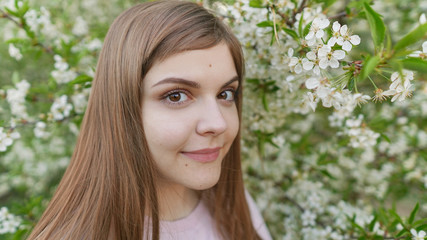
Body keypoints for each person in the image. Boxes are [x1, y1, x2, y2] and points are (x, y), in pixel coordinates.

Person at [28, 1, 272, 239]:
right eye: (176, 96)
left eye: (225, 94)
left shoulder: (232, 208)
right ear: (122, 107)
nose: (217, 123)